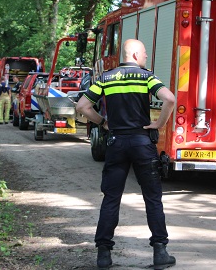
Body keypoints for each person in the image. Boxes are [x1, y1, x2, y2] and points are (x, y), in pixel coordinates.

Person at [76, 39, 177, 269]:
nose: (145, 58)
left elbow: (82, 106)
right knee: (152, 198)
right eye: (143, 54)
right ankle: (160, 252)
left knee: (111, 198)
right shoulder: (146, 76)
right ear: (133, 54)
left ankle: (103, 254)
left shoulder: (105, 78)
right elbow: (169, 99)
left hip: (116, 142)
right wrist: (158, 124)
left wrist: (103, 122)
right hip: (142, 142)